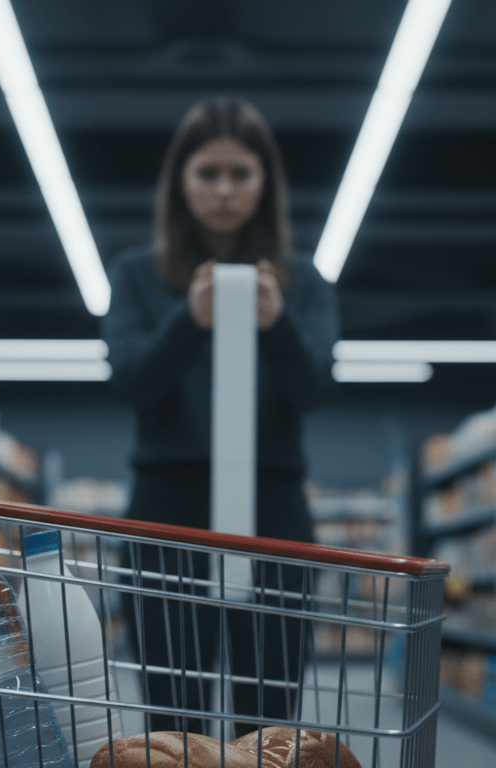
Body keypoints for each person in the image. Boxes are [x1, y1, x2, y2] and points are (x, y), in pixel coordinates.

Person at [101, 97, 339, 736]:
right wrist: (189, 321)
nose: (226, 190)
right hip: (166, 509)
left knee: (269, 717)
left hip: (275, 508)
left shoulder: (304, 282)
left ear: (266, 182)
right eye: (209, 173)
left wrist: (278, 323)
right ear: (180, 180)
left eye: (242, 173)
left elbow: (317, 388)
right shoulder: (136, 276)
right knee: (171, 716)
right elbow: (130, 383)